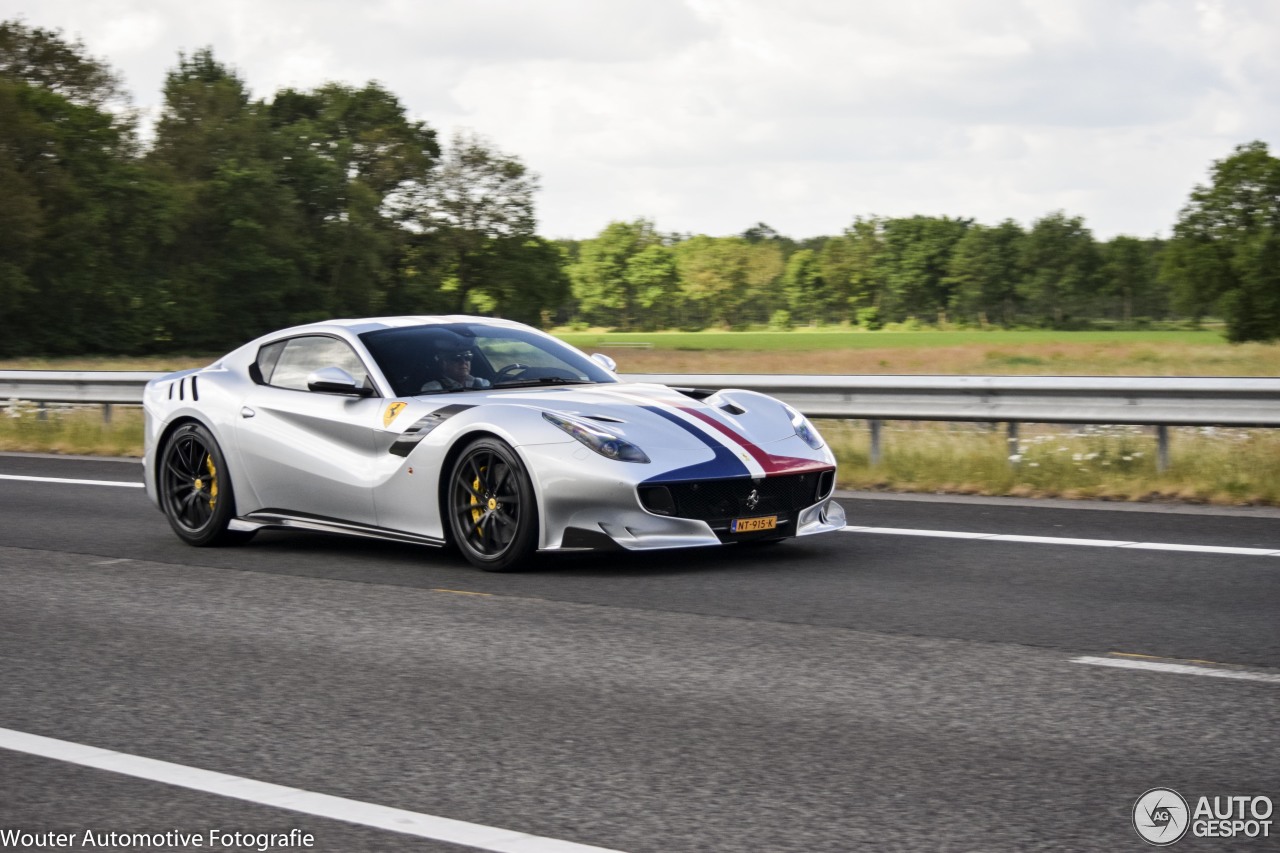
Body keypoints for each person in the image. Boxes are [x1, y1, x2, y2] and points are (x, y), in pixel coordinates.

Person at [420, 341, 491, 392]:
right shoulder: (434, 387)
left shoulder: (482, 383)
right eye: (456, 358)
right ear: (443, 363)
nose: (464, 362)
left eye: (467, 357)